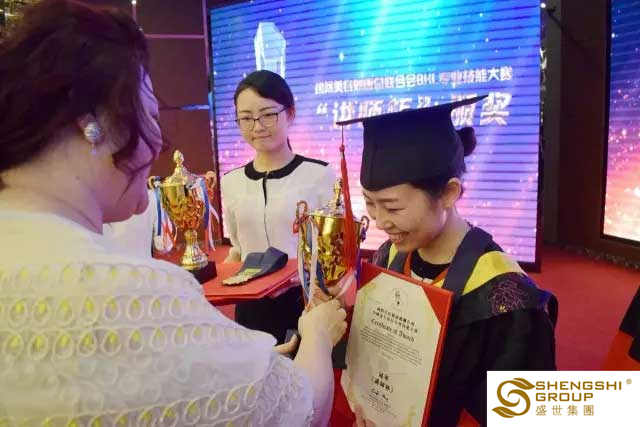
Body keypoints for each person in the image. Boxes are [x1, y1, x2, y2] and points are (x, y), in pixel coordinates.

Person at [0, 1, 346, 426]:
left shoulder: (319, 174)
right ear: (92, 125)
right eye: (149, 112)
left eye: (267, 115)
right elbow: (300, 409)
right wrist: (316, 337)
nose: (158, 141)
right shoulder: (140, 293)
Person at [334, 98, 557, 427]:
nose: (380, 221)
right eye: (370, 204)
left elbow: (525, 414)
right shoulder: (387, 258)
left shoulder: (507, 300)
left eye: (393, 207)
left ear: (449, 193)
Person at [222, 70, 336, 343]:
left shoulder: (320, 175)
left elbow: (333, 250)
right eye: (246, 118)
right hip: (250, 306)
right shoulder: (231, 181)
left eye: (268, 114)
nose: (257, 126)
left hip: (304, 302)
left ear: (290, 113)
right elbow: (237, 247)